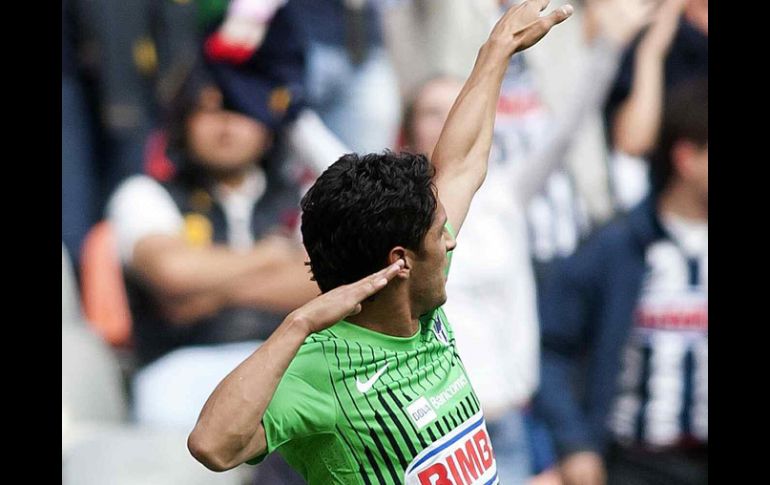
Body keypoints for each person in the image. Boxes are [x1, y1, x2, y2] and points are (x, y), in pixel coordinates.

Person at [187, 1, 574, 483]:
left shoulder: (421, 302)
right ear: (400, 261)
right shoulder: (320, 366)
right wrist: (298, 323)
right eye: (439, 237)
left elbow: (461, 165)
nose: (450, 244)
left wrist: (496, 50)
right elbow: (211, 445)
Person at [534, 77, 707, 485]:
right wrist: (575, 444)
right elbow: (550, 348)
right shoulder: (618, 246)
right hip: (632, 463)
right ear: (687, 158)